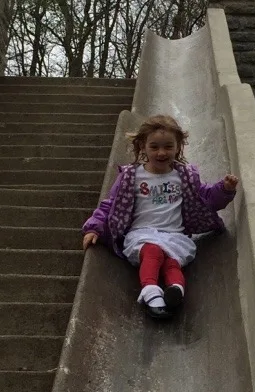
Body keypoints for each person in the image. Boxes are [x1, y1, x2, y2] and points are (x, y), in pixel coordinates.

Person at [81, 114, 239, 319]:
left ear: (178, 147)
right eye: (154, 147)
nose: (161, 152)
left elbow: (207, 198)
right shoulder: (132, 176)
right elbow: (110, 204)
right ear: (142, 147)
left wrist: (225, 189)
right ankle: (150, 291)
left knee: (172, 263)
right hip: (141, 235)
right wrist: (94, 227)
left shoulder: (184, 176)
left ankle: (175, 290)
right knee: (153, 251)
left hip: (174, 235)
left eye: (168, 146)